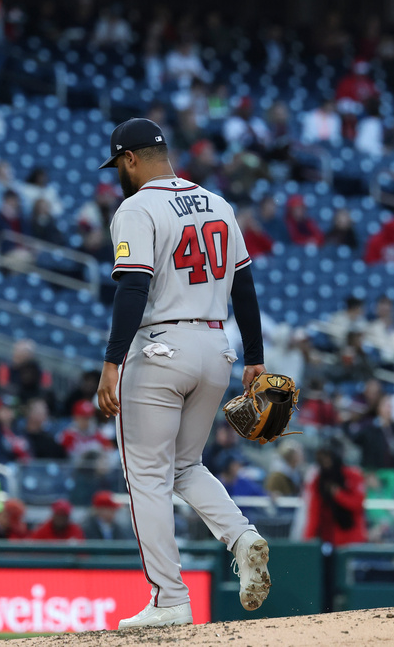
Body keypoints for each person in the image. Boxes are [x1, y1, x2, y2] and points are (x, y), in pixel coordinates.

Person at [94, 117, 272, 629]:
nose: (118, 176)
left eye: (119, 166)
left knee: (147, 475)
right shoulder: (218, 202)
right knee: (184, 467)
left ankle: (169, 598)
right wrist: (254, 355)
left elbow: (132, 288)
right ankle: (241, 537)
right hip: (217, 348)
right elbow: (245, 286)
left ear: (130, 159)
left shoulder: (138, 206)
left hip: (159, 348)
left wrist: (111, 362)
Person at [302, 443, 367, 546]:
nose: (326, 463)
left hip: (352, 537)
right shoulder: (318, 481)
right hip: (327, 538)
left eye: (328, 459)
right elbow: (314, 512)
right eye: (323, 460)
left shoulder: (353, 476)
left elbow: (358, 503)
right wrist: (308, 540)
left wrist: (338, 494)